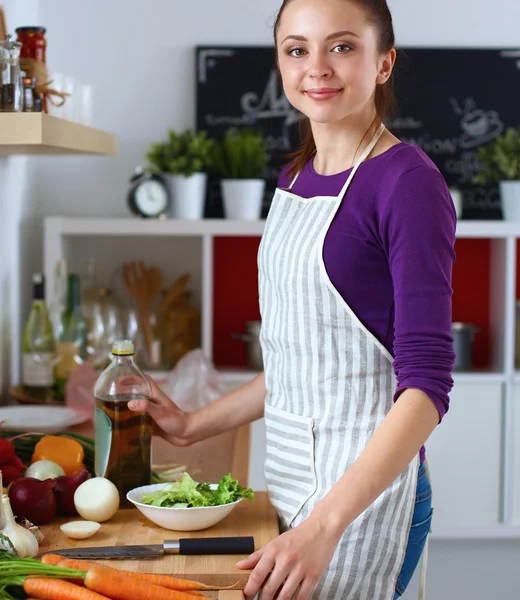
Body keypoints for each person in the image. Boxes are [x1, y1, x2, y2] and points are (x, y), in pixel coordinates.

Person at [129, 0, 456, 598]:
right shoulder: (295, 177)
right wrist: (193, 425)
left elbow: (427, 389)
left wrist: (325, 526)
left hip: (360, 507)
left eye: (342, 46)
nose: (317, 68)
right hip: (288, 484)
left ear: (383, 63)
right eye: (297, 49)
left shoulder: (408, 183)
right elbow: (303, 362)